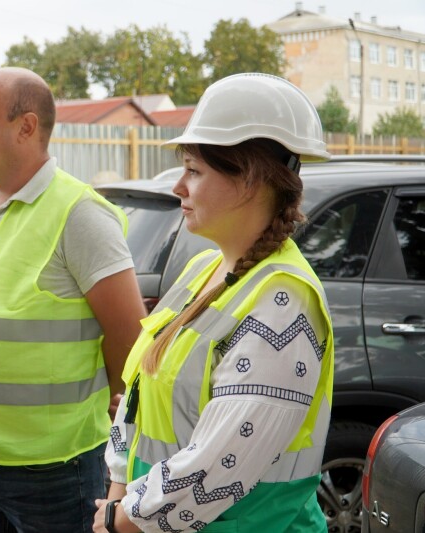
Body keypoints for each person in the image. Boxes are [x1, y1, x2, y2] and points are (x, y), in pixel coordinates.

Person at [93, 72, 335, 533]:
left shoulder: (284, 304)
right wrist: (119, 492)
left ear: (250, 181)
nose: (178, 187)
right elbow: (138, 397)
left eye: (194, 171)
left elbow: (217, 468)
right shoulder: (202, 270)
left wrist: (121, 518)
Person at [0, 66, 147, 532]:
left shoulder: (79, 214)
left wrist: (119, 442)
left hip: (55, 473)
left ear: (26, 127)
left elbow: (129, 336)